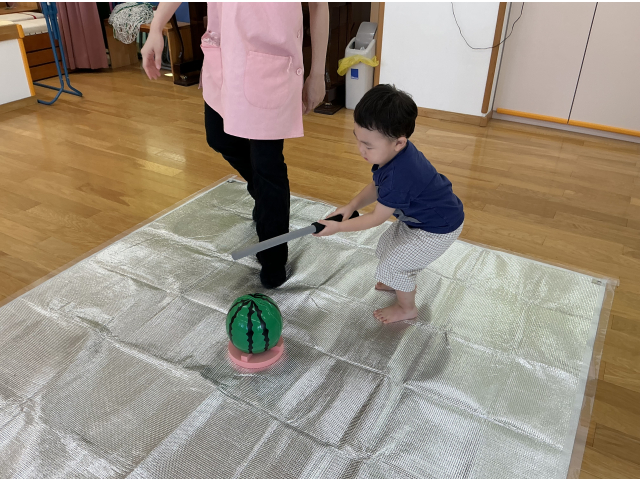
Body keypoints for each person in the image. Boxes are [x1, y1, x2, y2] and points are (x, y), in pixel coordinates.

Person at [141, 3, 329, 289]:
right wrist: (156, 27)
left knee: (267, 167)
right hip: (225, 59)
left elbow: (319, 6)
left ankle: (274, 258)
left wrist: (317, 73)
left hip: (270, 66)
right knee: (218, 138)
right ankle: (262, 195)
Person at [314, 85, 465, 324]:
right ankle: (399, 280)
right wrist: (351, 206)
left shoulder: (400, 176)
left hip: (438, 229)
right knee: (386, 247)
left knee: (394, 265)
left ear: (399, 143)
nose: (361, 150)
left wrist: (339, 227)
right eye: (358, 140)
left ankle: (407, 308)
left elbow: (376, 217)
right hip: (419, 220)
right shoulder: (394, 155)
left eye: (368, 146)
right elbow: (377, 186)